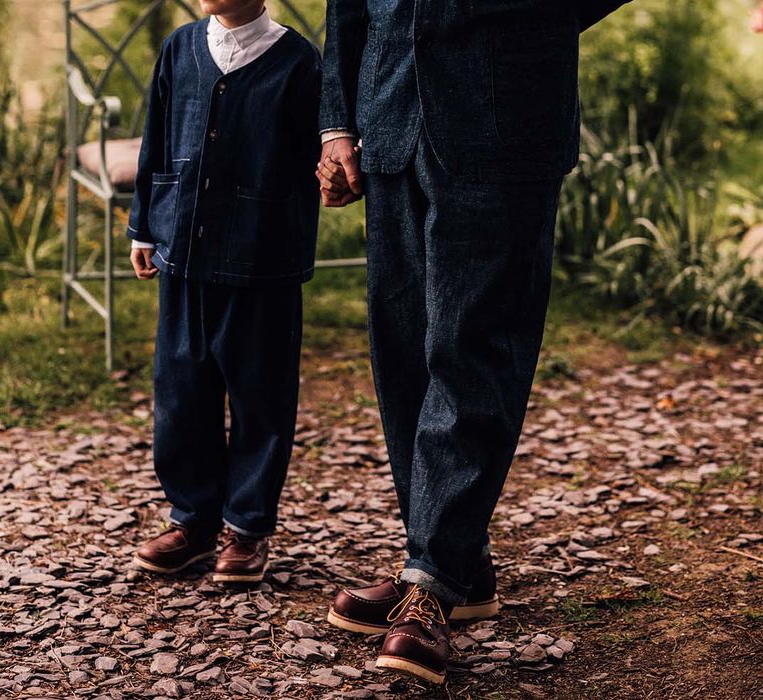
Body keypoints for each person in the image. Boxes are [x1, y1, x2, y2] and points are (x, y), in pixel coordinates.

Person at [317, 0, 632, 685]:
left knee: (474, 345)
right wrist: (337, 120)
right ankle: (459, 563)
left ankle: (432, 579)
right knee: (401, 352)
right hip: (393, 112)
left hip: (506, 111)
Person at [126, 0, 321, 584]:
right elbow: (156, 137)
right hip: (183, 248)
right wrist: (145, 224)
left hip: (263, 259)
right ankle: (193, 519)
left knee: (261, 395)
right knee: (181, 388)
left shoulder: (297, 62)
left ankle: (247, 527)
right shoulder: (180, 48)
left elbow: (315, 162)